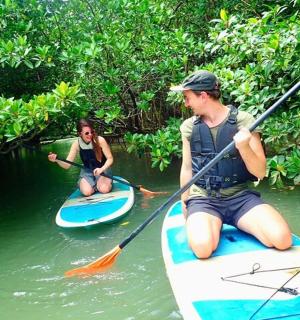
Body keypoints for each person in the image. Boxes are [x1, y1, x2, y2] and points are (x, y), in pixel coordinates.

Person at [170, 70, 292, 259]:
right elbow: (187, 168)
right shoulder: (188, 127)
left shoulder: (244, 120)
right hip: (204, 199)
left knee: (282, 240)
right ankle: (210, 224)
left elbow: (260, 172)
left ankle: (236, 223)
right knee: (202, 249)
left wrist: (244, 147)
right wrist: (184, 202)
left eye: (187, 98)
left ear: (203, 96)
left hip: (241, 197)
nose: (186, 104)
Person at [48, 119, 113, 196]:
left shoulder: (100, 140)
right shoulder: (76, 144)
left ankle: (100, 183)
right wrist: (57, 160)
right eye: (86, 133)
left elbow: (110, 159)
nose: (90, 135)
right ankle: (92, 184)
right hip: (87, 171)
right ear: (80, 134)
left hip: (102, 170)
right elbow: (67, 165)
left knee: (104, 189)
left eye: (91, 132)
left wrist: (101, 169)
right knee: (87, 192)